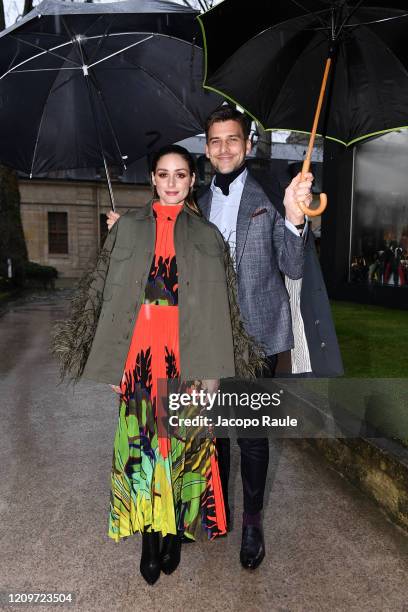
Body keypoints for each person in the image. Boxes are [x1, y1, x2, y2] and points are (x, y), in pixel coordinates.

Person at [106, 106, 343, 571]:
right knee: (208, 432)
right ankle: (216, 510)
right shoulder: (195, 200)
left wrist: (296, 219)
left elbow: (293, 266)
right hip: (200, 333)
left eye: (232, 140)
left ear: (248, 144)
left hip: (256, 334)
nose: (223, 149)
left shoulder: (273, 193)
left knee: (251, 436)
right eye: (214, 141)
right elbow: (159, 234)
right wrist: (126, 232)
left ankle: (252, 521)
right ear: (207, 149)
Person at [52, 144, 263, 585]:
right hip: (140, 357)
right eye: (163, 174)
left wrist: (210, 377)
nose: (171, 182)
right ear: (151, 178)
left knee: (181, 451)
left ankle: (172, 534)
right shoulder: (126, 228)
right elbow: (105, 298)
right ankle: (149, 540)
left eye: (180, 175)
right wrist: (113, 365)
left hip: (186, 356)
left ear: (191, 181)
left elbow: (218, 308)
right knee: (144, 451)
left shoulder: (206, 235)